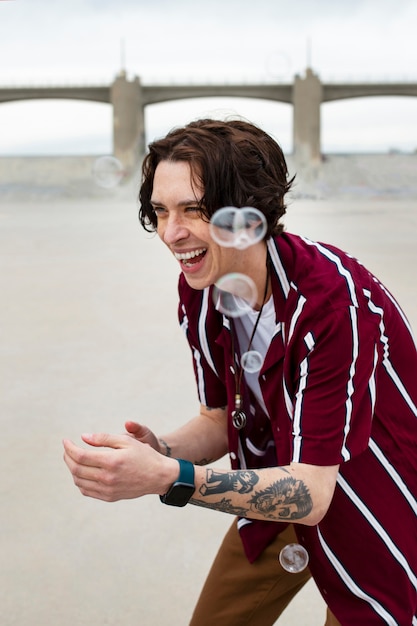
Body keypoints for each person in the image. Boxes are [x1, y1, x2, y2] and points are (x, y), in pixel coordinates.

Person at [63, 119, 417, 625]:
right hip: (277, 491)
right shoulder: (202, 288)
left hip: (373, 507)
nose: (171, 233)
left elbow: (313, 495)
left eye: (193, 210)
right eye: (160, 211)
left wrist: (172, 477)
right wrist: (158, 452)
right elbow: (220, 418)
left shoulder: (333, 305)